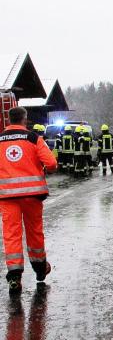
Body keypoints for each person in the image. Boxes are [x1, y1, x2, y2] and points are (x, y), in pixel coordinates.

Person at [0, 107, 58, 293]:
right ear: (25, 119)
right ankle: (40, 269)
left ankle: (15, 276)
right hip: (32, 195)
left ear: (9, 120)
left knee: (11, 234)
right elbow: (51, 164)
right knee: (34, 232)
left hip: (7, 196)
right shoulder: (33, 138)